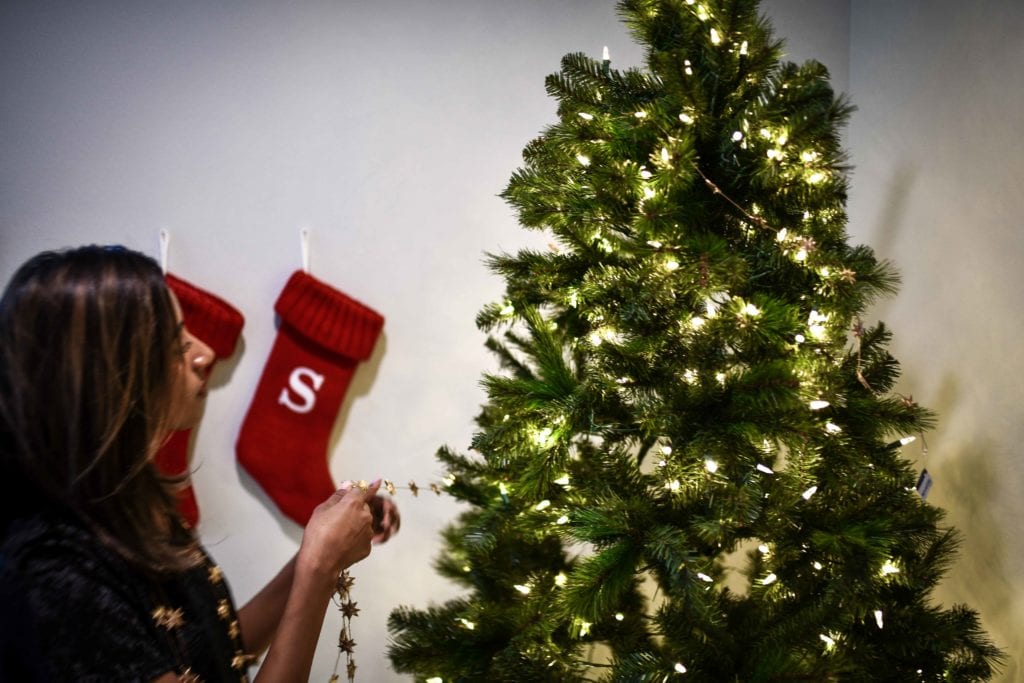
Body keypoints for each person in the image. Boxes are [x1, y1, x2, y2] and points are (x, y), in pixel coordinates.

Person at [0, 245, 399, 681]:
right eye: (176, 343)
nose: (204, 354)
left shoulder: (123, 503)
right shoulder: (55, 575)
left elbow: (213, 652)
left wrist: (318, 552)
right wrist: (318, 570)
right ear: (109, 376)